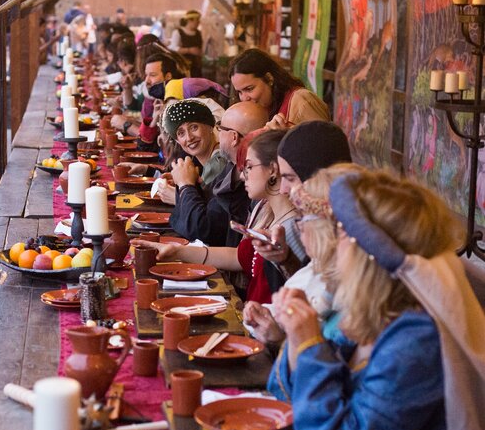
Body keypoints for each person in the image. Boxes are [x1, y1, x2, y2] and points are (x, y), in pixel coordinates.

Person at [268, 170, 476, 430]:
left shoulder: (417, 338)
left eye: (342, 232)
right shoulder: (373, 313)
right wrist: (297, 339)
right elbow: (284, 399)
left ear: (367, 253)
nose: (335, 243)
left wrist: (309, 347)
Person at [135, 128, 304, 303]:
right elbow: (237, 257)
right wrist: (177, 252)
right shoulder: (265, 208)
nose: (242, 175)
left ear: (273, 170)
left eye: (249, 167)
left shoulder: (292, 228)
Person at [244, 163, 363, 346]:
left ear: (330, 230)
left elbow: (326, 367)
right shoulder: (318, 267)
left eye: (304, 218)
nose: (300, 226)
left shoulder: (350, 305)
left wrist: (281, 340)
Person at [250, 120, 352, 294]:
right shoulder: (318, 224)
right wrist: (286, 259)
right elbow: (311, 291)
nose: (283, 189)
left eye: (290, 178)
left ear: (314, 174)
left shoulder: (351, 235)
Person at [169, 100, 268, 247]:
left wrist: (185, 185)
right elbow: (183, 217)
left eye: (220, 128)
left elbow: (203, 229)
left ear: (234, 137)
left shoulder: (242, 177)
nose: (189, 138)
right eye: (181, 133)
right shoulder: (232, 168)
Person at [229, 48, 330, 129]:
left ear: (269, 79)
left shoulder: (301, 100)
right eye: (239, 92)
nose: (244, 98)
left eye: (249, 89)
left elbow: (326, 146)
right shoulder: (263, 110)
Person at [170, 10, 203, 77]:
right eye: (197, 20)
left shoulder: (198, 33)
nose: (198, 23)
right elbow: (173, 48)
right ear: (190, 21)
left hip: (196, 66)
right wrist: (189, 50)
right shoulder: (178, 32)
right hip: (183, 66)